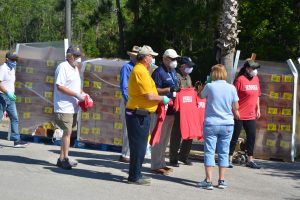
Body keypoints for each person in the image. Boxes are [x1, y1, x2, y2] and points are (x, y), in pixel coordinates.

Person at [126, 45, 170, 185]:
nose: (153, 58)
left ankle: (136, 174)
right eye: (151, 56)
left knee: (140, 146)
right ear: (145, 58)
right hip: (138, 113)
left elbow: (151, 91)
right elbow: (150, 95)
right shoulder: (140, 71)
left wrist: (161, 95)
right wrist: (162, 99)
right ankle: (134, 176)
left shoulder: (143, 70)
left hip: (141, 113)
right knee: (138, 146)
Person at [198, 64, 239, 190]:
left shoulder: (210, 86)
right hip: (227, 123)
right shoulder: (231, 88)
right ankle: (221, 180)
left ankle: (208, 181)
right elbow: (236, 107)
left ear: (213, 74)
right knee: (224, 152)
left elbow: (200, 96)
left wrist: (205, 84)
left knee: (209, 151)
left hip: (211, 123)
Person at [54, 45, 86, 169]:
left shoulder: (75, 68)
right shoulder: (63, 67)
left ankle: (61, 158)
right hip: (64, 106)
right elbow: (60, 86)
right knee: (66, 133)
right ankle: (65, 159)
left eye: (79, 56)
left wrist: (83, 94)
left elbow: (76, 85)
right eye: (76, 56)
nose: (79, 58)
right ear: (69, 56)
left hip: (73, 106)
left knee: (68, 134)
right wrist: (77, 94)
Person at [151, 49, 180, 175]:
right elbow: (154, 90)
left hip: (171, 110)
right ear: (165, 59)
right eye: (172, 59)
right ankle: (156, 165)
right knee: (159, 138)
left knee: (165, 139)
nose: (174, 61)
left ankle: (162, 163)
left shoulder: (173, 71)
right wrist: (169, 89)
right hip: (161, 109)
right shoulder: (158, 72)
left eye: (175, 59)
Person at [229, 59, 261, 169]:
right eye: (253, 68)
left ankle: (250, 160)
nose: (255, 71)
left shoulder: (256, 79)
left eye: (256, 69)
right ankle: (228, 158)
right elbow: (232, 97)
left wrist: (258, 108)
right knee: (234, 136)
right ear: (247, 69)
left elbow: (257, 95)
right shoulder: (240, 80)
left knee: (251, 136)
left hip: (251, 114)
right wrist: (235, 110)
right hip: (239, 114)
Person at [169, 56, 196, 167]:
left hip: (189, 110)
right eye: (188, 66)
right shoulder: (176, 76)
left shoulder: (188, 77)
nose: (190, 68)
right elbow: (176, 92)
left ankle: (184, 156)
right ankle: (173, 158)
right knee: (177, 134)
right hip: (179, 110)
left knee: (190, 133)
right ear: (182, 66)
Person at [0, 51, 28, 148]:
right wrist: (7, 92)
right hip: (2, 96)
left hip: (10, 97)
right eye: (13, 60)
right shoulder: (3, 68)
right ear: (7, 59)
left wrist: (11, 93)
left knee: (14, 118)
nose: (15, 62)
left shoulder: (12, 69)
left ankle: (16, 140)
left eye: (16, 60)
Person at [119, 45, 141, 163]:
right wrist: (129, 101)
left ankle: (130, 152)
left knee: (134, 128)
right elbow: (124, 87)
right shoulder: (127, 67)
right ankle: (125, 154)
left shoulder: (139, 68)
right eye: (134, 56)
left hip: (136, 101)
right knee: (128, 128)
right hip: (129, 101)